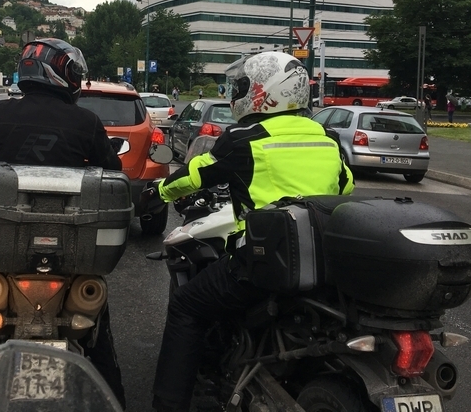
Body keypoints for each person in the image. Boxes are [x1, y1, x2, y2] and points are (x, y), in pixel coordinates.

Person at [147, 51, 355, 412]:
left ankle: (168, 405)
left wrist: (157, 192)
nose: (237, 93)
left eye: (242, 86)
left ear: (264, 91)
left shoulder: (245, 138)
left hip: (263, 262)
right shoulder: (328, 137)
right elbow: (345, 186)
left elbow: (196, 174)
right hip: (324, 260)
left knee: (186, 306)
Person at [0, 38, 127, 408]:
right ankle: (113, 400)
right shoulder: (86, 122)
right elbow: (113, 170)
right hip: (70, 253)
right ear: (63, 74)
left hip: (1, 253)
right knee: (94, 312)